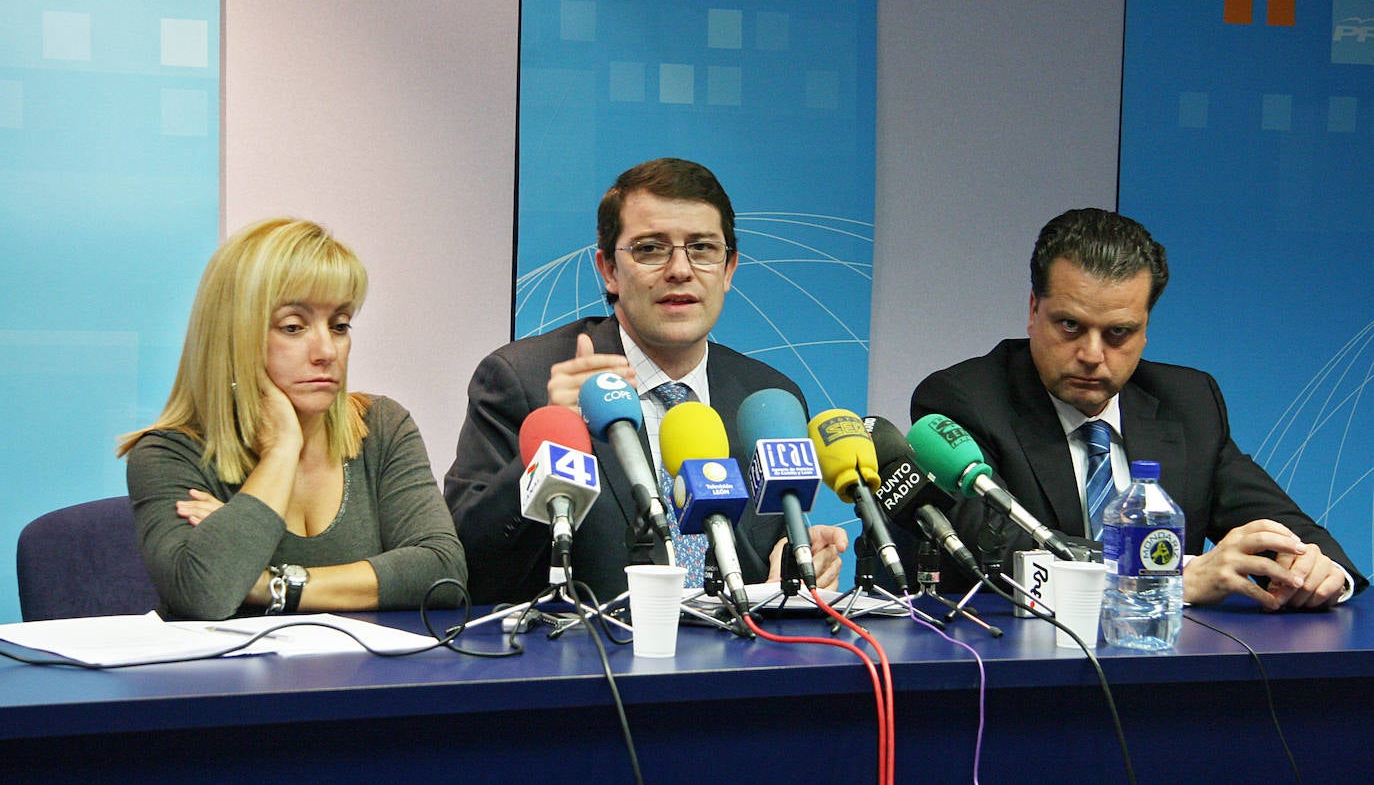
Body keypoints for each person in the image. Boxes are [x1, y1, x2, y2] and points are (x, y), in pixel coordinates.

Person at [910, 207, 1366, 610]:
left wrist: (1316, 570)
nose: (1091, 354)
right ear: (1033, 310)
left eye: (1118, 333)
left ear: (1145, 328)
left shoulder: (1188, 402)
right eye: (1070, 325)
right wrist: (1172, 580)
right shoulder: (963, 401)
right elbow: (1005, 557)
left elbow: (1287, 528)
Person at [445, 157, 848, 605]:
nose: (680, 269)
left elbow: (760, 556)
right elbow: (468, 567)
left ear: (729, 268)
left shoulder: (767, 399)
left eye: (702, 248)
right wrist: (552, 446)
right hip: (589, 662)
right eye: (651, 249)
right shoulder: (525, 379)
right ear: (609, 270)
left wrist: (796, 562)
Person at [120, 218, 466, 620]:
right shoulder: (170, 454)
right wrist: (281, 452)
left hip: (363, 679)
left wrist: (271, 583)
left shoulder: (381, 427)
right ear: (233, 338)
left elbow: (443, 573)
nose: (326, 350)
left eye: (339, 326)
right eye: (293, 327)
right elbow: (206, 593)